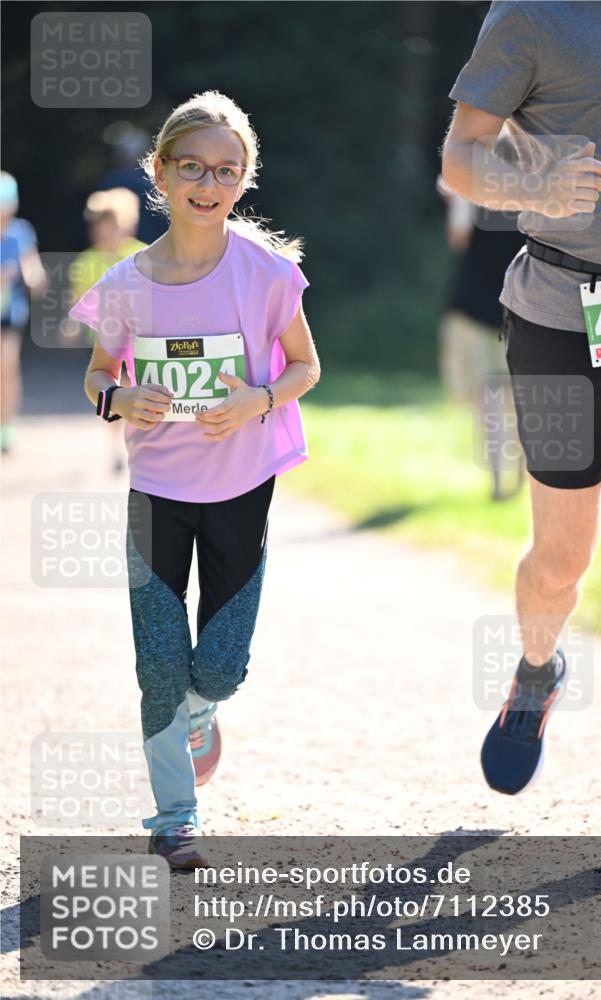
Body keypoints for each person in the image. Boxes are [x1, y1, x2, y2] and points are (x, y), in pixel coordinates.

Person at [69, 90, 321, 868]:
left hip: (243, 485)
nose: (207, 184)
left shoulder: (269, 273)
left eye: (226, 170)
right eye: (191, 167)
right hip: (157, 491)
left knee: (219, 667)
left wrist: (259, 396)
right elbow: (97, 375)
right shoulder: (125, 284)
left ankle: (201, 712)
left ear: (243, 180)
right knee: (156, 662)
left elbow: (308, 366)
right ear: (160, 172)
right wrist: (118, 398)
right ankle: (175, 817)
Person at [442, 1, 601, 856]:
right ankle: (536, 670)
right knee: (560, 561)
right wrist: (528, 187)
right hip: (559, 316)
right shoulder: (534, 14)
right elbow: (462, 155)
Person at [436, 182, 525, 499]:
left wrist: (453, 201)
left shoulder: (469, 179)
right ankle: (521, 480)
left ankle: (499, 482)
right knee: (520, 398)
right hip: (521, 305)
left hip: (475, 304)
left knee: (488, 398)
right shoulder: (535, 180)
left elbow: (459, 238)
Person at [65, 188, 146, 473]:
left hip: (138, 340)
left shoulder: (141, 254)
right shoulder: (86, 261)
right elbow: (77, 299)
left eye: (111, 225)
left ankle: (133, 442)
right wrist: (71, 324)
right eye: (99, 226)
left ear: (125, 224)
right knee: (114, 392)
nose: (104, 232)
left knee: (132, 389)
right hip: (105, 342)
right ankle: (116, 447)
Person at [0, 172, 48, 454]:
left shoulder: (21, 232)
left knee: (6, 366)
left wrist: (32, 277)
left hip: (9, 313)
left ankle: (6, 425)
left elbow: (33, 270)